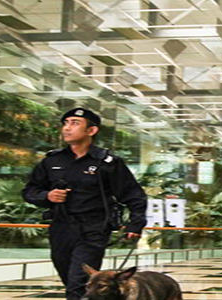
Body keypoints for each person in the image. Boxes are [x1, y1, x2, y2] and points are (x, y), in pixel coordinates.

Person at [22, 108, 147, 300]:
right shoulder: (52, 161)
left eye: (74, 123)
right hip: (61, 227)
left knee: (78, 282)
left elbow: (133, 194)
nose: (67, 128)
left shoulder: (107, 162)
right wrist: (48, 196)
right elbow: (29, 191)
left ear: (91, 131)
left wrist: (135, 223)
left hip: (93, 229)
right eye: (65, 123)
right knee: (69, 277)